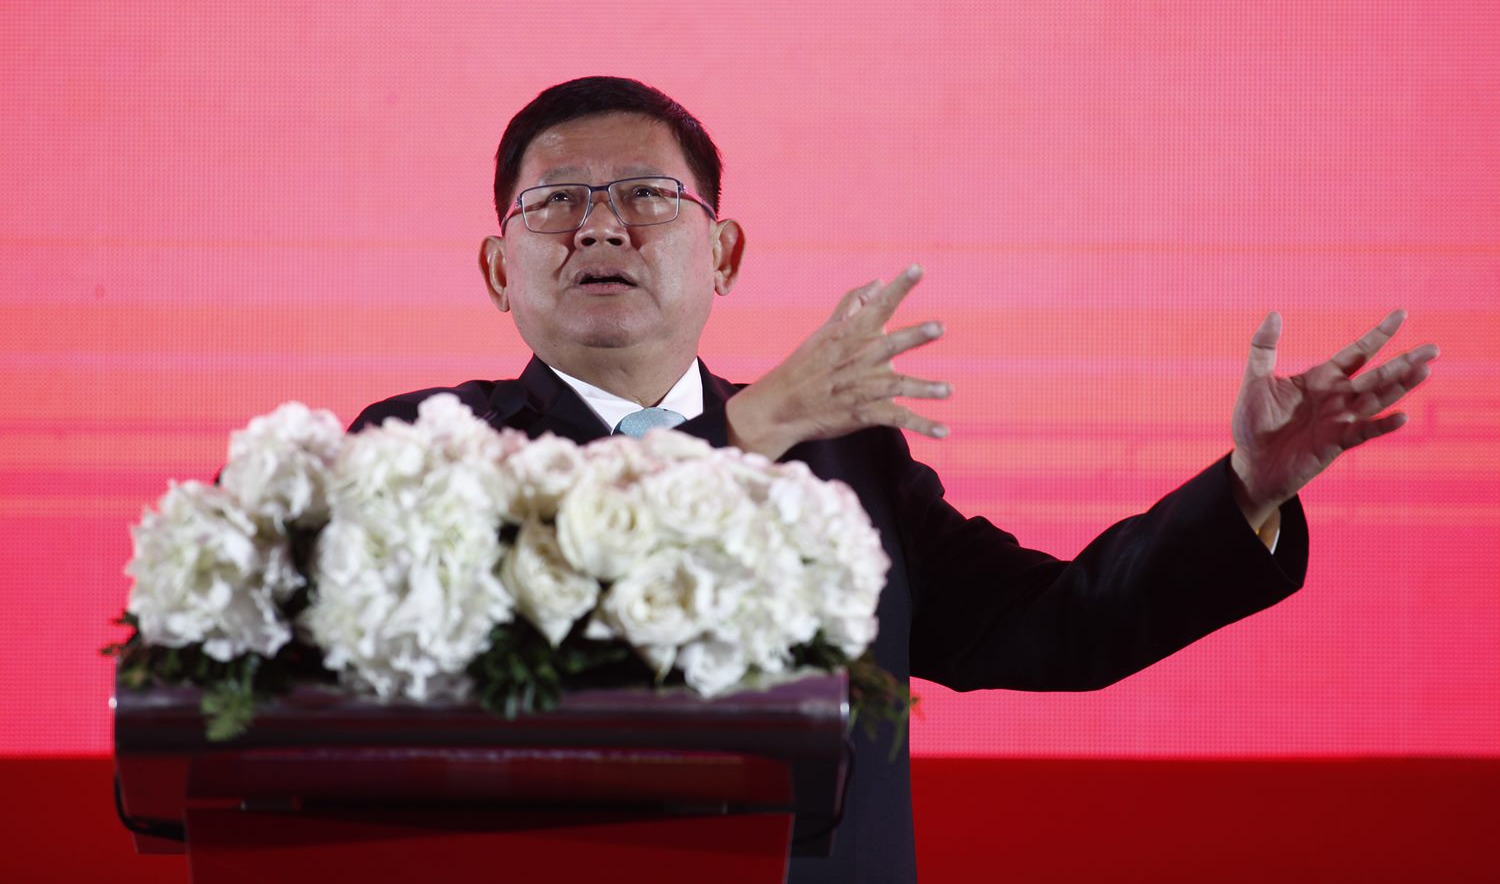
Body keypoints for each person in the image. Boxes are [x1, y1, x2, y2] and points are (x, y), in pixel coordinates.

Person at [351, 76, 1438, 882]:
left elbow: (1058, 627)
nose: (601, 225)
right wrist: (752, 428)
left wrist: (1247, 487)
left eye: (646, 194)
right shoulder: (420, 445)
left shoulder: (846, 457)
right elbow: (474, 658)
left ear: (724, 254)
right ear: (497, 269)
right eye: (555, 202)